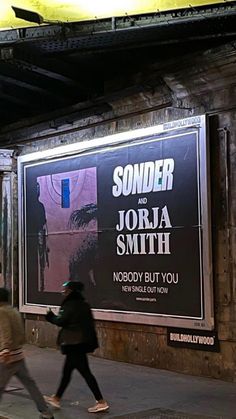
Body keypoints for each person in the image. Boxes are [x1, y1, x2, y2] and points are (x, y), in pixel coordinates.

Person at [44, 280, 109, 413]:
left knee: (84, 372)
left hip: (74, 343)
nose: (63, 291)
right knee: (68, 372)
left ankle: (101, 401)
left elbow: (61, 321)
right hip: (81, 343)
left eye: (65, 289)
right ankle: (57, 398)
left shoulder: (70, 305)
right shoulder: (84, 304)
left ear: (71, 291)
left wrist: (50, 317)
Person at [0, 287, 54, 419]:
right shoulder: (14, 311)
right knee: (30, 384)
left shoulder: (1, 312)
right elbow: (20, 333)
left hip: (8, 357)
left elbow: (5, 332)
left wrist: (5, 349)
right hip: (18, 354)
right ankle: (45, 412)